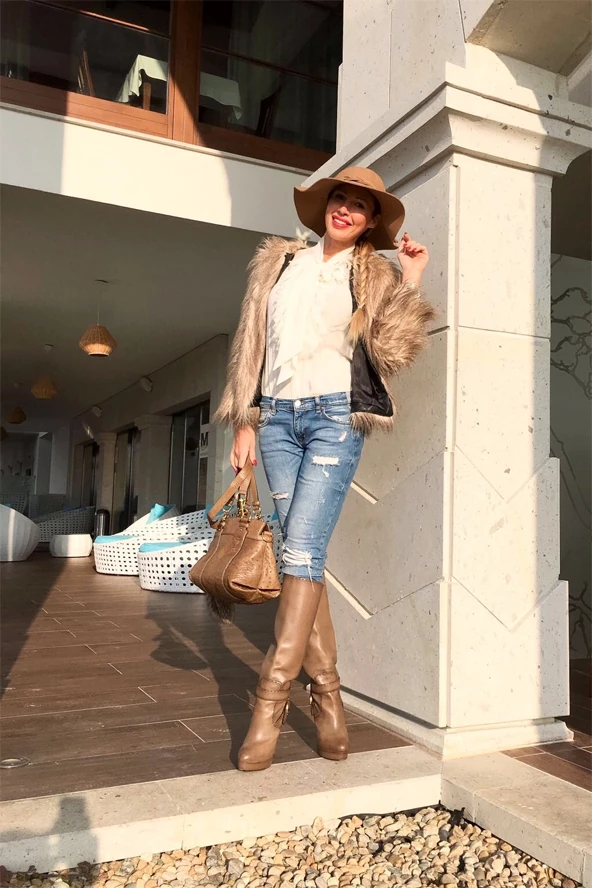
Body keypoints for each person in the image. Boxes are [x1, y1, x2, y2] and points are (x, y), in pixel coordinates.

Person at [214, 167, 434, 771]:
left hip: (335, 418)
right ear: (325, 206)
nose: (346, 209)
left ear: (370, 223)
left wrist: (411, 280)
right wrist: (245, 419)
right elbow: (252, 343)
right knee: (298, 554)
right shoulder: (278, 263)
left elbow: (392, 352)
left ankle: (270, 702)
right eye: (340, 198)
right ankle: (329, 696)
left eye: (360, 206)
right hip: (276, 420)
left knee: (304, 550)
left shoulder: (374, 273)